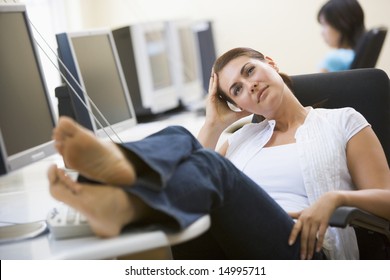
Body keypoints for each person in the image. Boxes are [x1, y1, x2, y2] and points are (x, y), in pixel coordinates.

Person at [47, 47, 390, 260]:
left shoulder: (341, 121)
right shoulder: (242, 137)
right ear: (238, 104)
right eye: (237, 90)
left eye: (249, 71)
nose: (249, 85)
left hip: (305, 251)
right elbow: (190, 175)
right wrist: (212, 122)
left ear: (270, 63)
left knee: (210, 165)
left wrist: (335, 197)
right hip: (229, 245)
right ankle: (121, 201)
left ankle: (124, 181)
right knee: (185, 142)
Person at [317, 0, 366, 72]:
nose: (322, 32)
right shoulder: (358, 55)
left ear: (341, 24)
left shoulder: (335, 58)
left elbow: (318, 83)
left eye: (325, 24)